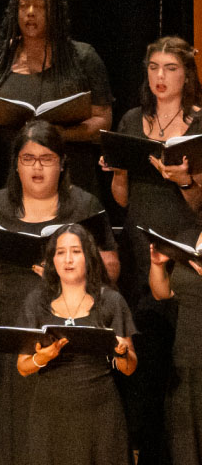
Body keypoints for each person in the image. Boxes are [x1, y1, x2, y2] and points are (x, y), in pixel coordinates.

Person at [0, 120, 118, 465]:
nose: (36, 167)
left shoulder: (84, 205)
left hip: (67, 330)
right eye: (28, 158)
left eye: (46, 159)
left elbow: (112, 271)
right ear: (15, 163)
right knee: (8, 433)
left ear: (62, 163)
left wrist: (68, 271)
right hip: (10, 328)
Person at [101, 35, 202, 464]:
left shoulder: (200, 124)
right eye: (154, 67)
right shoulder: (130, 120)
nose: (160, 77)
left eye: (171, 69)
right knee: (147, 366)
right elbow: (122, 199)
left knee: (184, 364)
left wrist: (182, 180)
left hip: (183, 252)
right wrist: (119, 171)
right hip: (140, 251)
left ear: (187, 75)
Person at [0, 0, 112, 194]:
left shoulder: (82, 57)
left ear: (55, 12)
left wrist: (62, 134)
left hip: (70, 178)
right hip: (7, 178)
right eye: (23, 5)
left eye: (40, 6)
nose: (30, 12)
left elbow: (103, 121)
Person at [16, 225, 136, 464]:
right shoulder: (36, 302)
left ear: (88, 257)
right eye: (60, 252)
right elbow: (22, 367)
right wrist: (43, 357)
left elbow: (129, 367)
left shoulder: (111, 301)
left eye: (76, 251)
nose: (68, 259)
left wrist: (121, 354)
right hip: (50, 414)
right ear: (52, 259)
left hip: (100, 414)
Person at [148, 231, 202, 465]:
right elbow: (162, 293)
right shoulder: (191, 236)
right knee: (186, 446)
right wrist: (158, 265)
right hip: (186, 357)